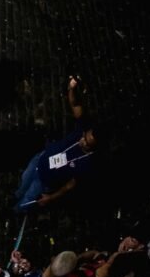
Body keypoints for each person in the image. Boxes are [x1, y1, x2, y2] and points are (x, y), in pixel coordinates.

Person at [15, 77, 102, 211]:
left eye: (87, 143)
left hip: (44, 182)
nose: (82, 140)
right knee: (24, 180)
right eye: (84, 137)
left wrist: (50, 198)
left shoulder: (88, 163)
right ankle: (16, 196)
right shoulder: (83, 128)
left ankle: (15, 211)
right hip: (40, 159)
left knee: (26, 201)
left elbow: (70, 185)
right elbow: (75, 105)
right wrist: (71, 88)